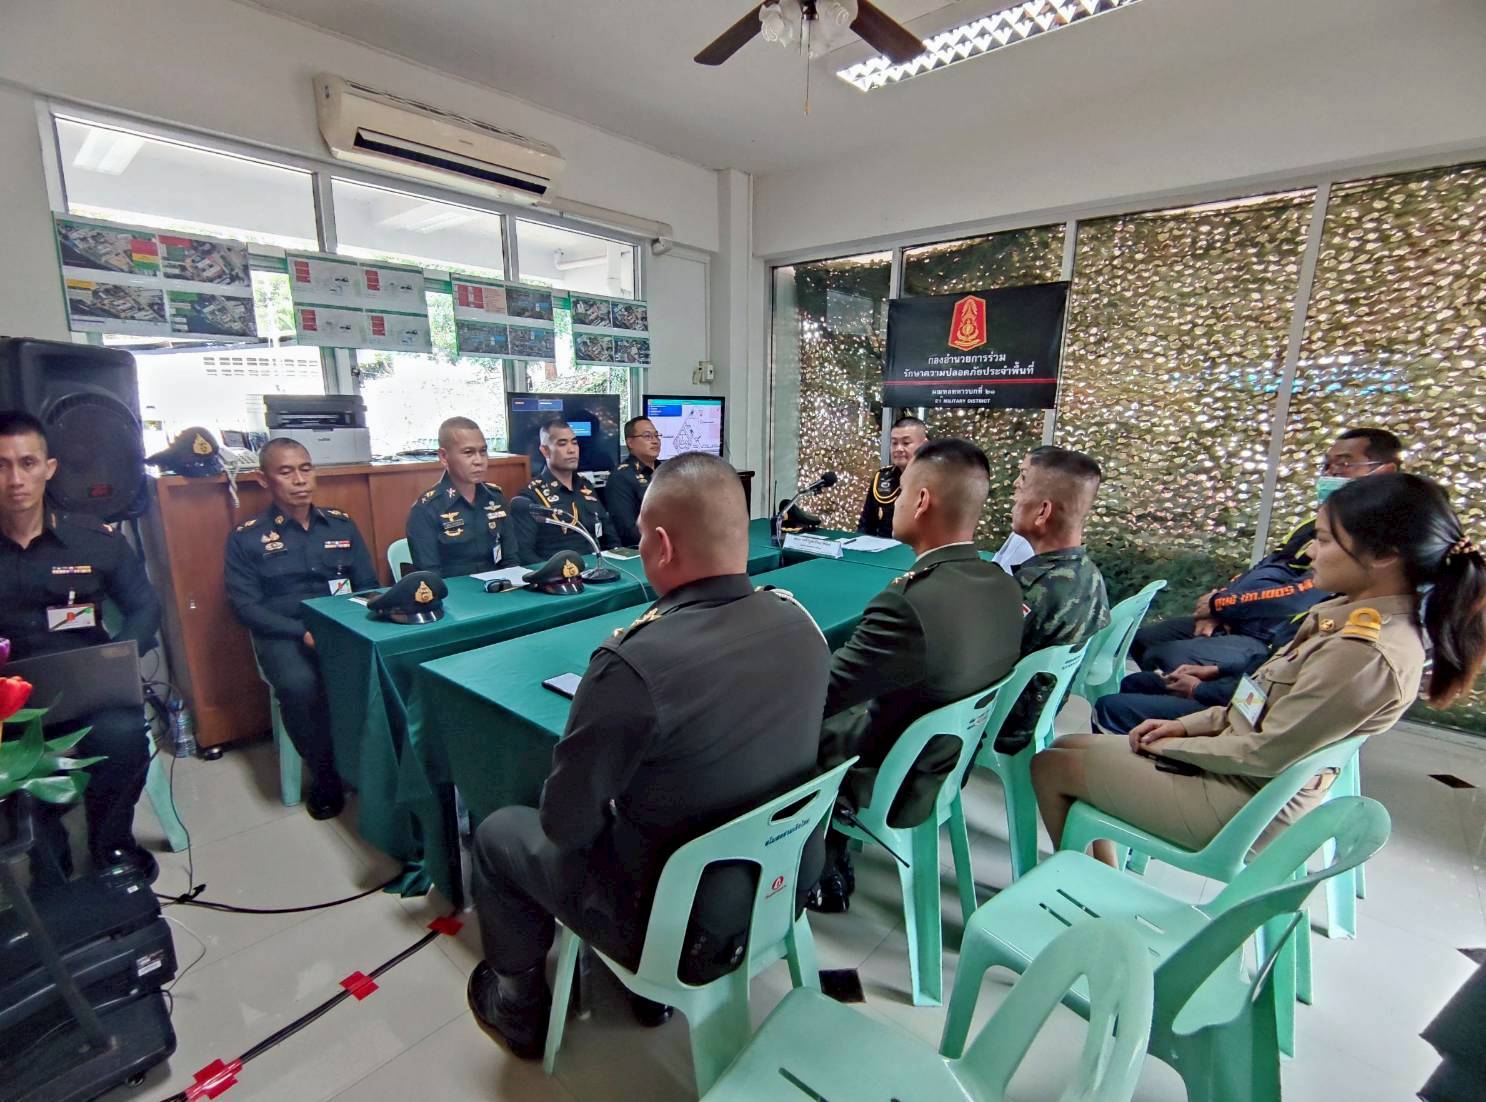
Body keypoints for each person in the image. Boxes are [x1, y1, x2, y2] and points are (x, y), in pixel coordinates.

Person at [467, 453, 832, 1058]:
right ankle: (645, 995)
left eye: (639, 536)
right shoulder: (800, 622)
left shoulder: (633, 663)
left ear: (661, 545)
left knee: (500, 832)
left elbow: (565, 826)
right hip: (783, 883)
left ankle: (517, 1006)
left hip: (670, 923)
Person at [1032, 471, 1484, 866]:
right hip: (1241, 774)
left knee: (1051, 767)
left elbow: (1266, 752)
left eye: (1326, 541)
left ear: (1384, 555)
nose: (1311, 554)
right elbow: (1259, 702)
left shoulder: (1365, 652)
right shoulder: (1344, 617)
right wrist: (1187, 727)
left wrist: (1172, 747)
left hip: (1247, 805)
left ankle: (1085, 894)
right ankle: (1094, 876)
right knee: (1067, 747)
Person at [814, 438, 1023, 911]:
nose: (897, 501)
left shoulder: (909, 602)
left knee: (786, 722)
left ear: (923, 500)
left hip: (892, 776)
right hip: (947, 764)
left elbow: (822, 694)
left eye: (904, 490)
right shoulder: (1003, 585)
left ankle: (811, 861)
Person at [0, 411, 162, 885]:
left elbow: (144, 605)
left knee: (124, 736)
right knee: (17, 768)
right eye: (2, 465)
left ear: (48, 468)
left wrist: (120, 658)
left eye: (27, 463)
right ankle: (48, 858)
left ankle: (110, 843)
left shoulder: (92, 540)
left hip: (88, 691)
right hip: (9, 705)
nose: (15, 479)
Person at [1131, 427, 1404, 674]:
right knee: (1142, 639)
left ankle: (1189, 702)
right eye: (1327, 465)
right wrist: (1219, 606)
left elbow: (1298, 596)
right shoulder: (1311, 524)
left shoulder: (1372, 537)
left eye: (1344, 464)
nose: (1330, 473)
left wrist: (1221, 605)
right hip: (1238, 620)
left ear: (1385, 472)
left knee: (1165, 657)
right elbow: (1265, 567)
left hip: (1272, 639)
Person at [224, 439, 377, 820]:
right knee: (300, 686)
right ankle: (325, 776)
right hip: (283, 633)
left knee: (381, 670)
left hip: (341, 627)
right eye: (286, 471)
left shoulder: (341, 524)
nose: (299, 480)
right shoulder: (247, 537)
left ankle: (373, 764)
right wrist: (300, 632)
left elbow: (368, 586)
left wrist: (352, 627)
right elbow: (245, 608)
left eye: (305, 469)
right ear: (264, 480)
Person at [994, 445, 1110, 753]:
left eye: (1022, 480)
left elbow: (971, 667)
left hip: (1003, 723)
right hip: (1044, 711)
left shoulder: (1032, 589)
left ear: (1043, 511)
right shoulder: (1089, 574)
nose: (1014, 490)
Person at [405, 416, 519, 577]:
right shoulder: (426, 509)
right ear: (444, 457)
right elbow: (430, 576)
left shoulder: (495, 498)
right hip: (452, 591)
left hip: (499, 587)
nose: (479, 461)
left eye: (483, 451)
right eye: (468, 453)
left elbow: (510, 560)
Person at [511, 419, 617, 564]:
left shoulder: (585, 486)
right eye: (562, 444)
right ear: (545, 451)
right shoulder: (531, 496)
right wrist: (554, 573)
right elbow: (524, 554)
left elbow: (609, 534)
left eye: (574, 443)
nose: (572, 450)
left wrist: (616, 561)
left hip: (599, 567)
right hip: (560, 573)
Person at [857, 415, 929, 538]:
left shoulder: (936, 480)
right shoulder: (882, 478)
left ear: (924, 445)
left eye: (906, 443)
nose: (898, 449)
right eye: (894, 443)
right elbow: (866, 525)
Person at [604, 415, 662, 547]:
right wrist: (664, 540)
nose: (655, 441)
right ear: (630, 442)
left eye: (656, 435)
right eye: (647, 436)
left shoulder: (666, 471)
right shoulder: (621, 477)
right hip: (643, 548)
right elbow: (627, 530)